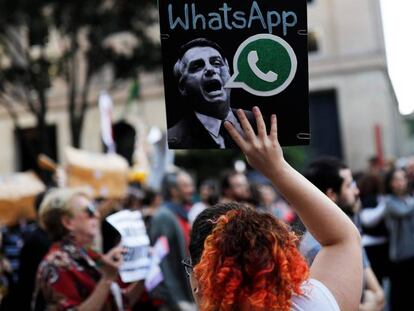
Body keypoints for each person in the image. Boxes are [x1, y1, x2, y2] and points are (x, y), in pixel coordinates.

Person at [185, 107, 363, 310]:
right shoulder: (312, 304)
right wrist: (276, 167)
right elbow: (343, 239)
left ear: (201, 278)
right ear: (282, 260)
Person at [32, 188, 144, 310]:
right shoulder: (55, 264)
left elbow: (120, 302)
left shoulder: (88, 255)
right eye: (90, 211)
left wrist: (146, 271)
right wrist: (106, 278)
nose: (97, 215)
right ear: (68, 222)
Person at [168, 38, 256, 149]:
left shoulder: (261, 122)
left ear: (229, 73)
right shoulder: (174, 140)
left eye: (217, 63)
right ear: (182, 87)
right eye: (197, 66)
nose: (210, 69)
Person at [149, 171, 196, 311]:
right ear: (174, 191)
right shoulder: (164, 217)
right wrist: (177, 300)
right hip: (174, 300)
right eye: (186, 186)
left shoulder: (180, 214)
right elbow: (162, 262)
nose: (191, 190)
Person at [383, 168, 414, 311]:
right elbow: (403, 212)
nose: (401, 182)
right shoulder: (389, 201)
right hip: (400, 256)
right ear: (390, 183)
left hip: (411, 253)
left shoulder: (408, 199)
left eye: (402, 178)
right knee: (400, 296)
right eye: (396, 179)